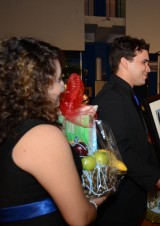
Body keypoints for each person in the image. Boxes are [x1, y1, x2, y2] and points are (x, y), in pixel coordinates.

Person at [0, 37, 106, 226]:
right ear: (37, 87)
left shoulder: (11, 124)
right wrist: (95, 202)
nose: (64, 86)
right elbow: (79, 218)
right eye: (58, 80)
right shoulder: (42, 135)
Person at [91, 36, 160, 226]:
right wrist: (155, 176)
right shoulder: (112, 99)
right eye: (144, 62)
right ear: (124, 62)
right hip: (119, 204)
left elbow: (138, 142)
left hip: (130, 197)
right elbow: (120, 152)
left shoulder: (125, 94)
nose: (148, 68)